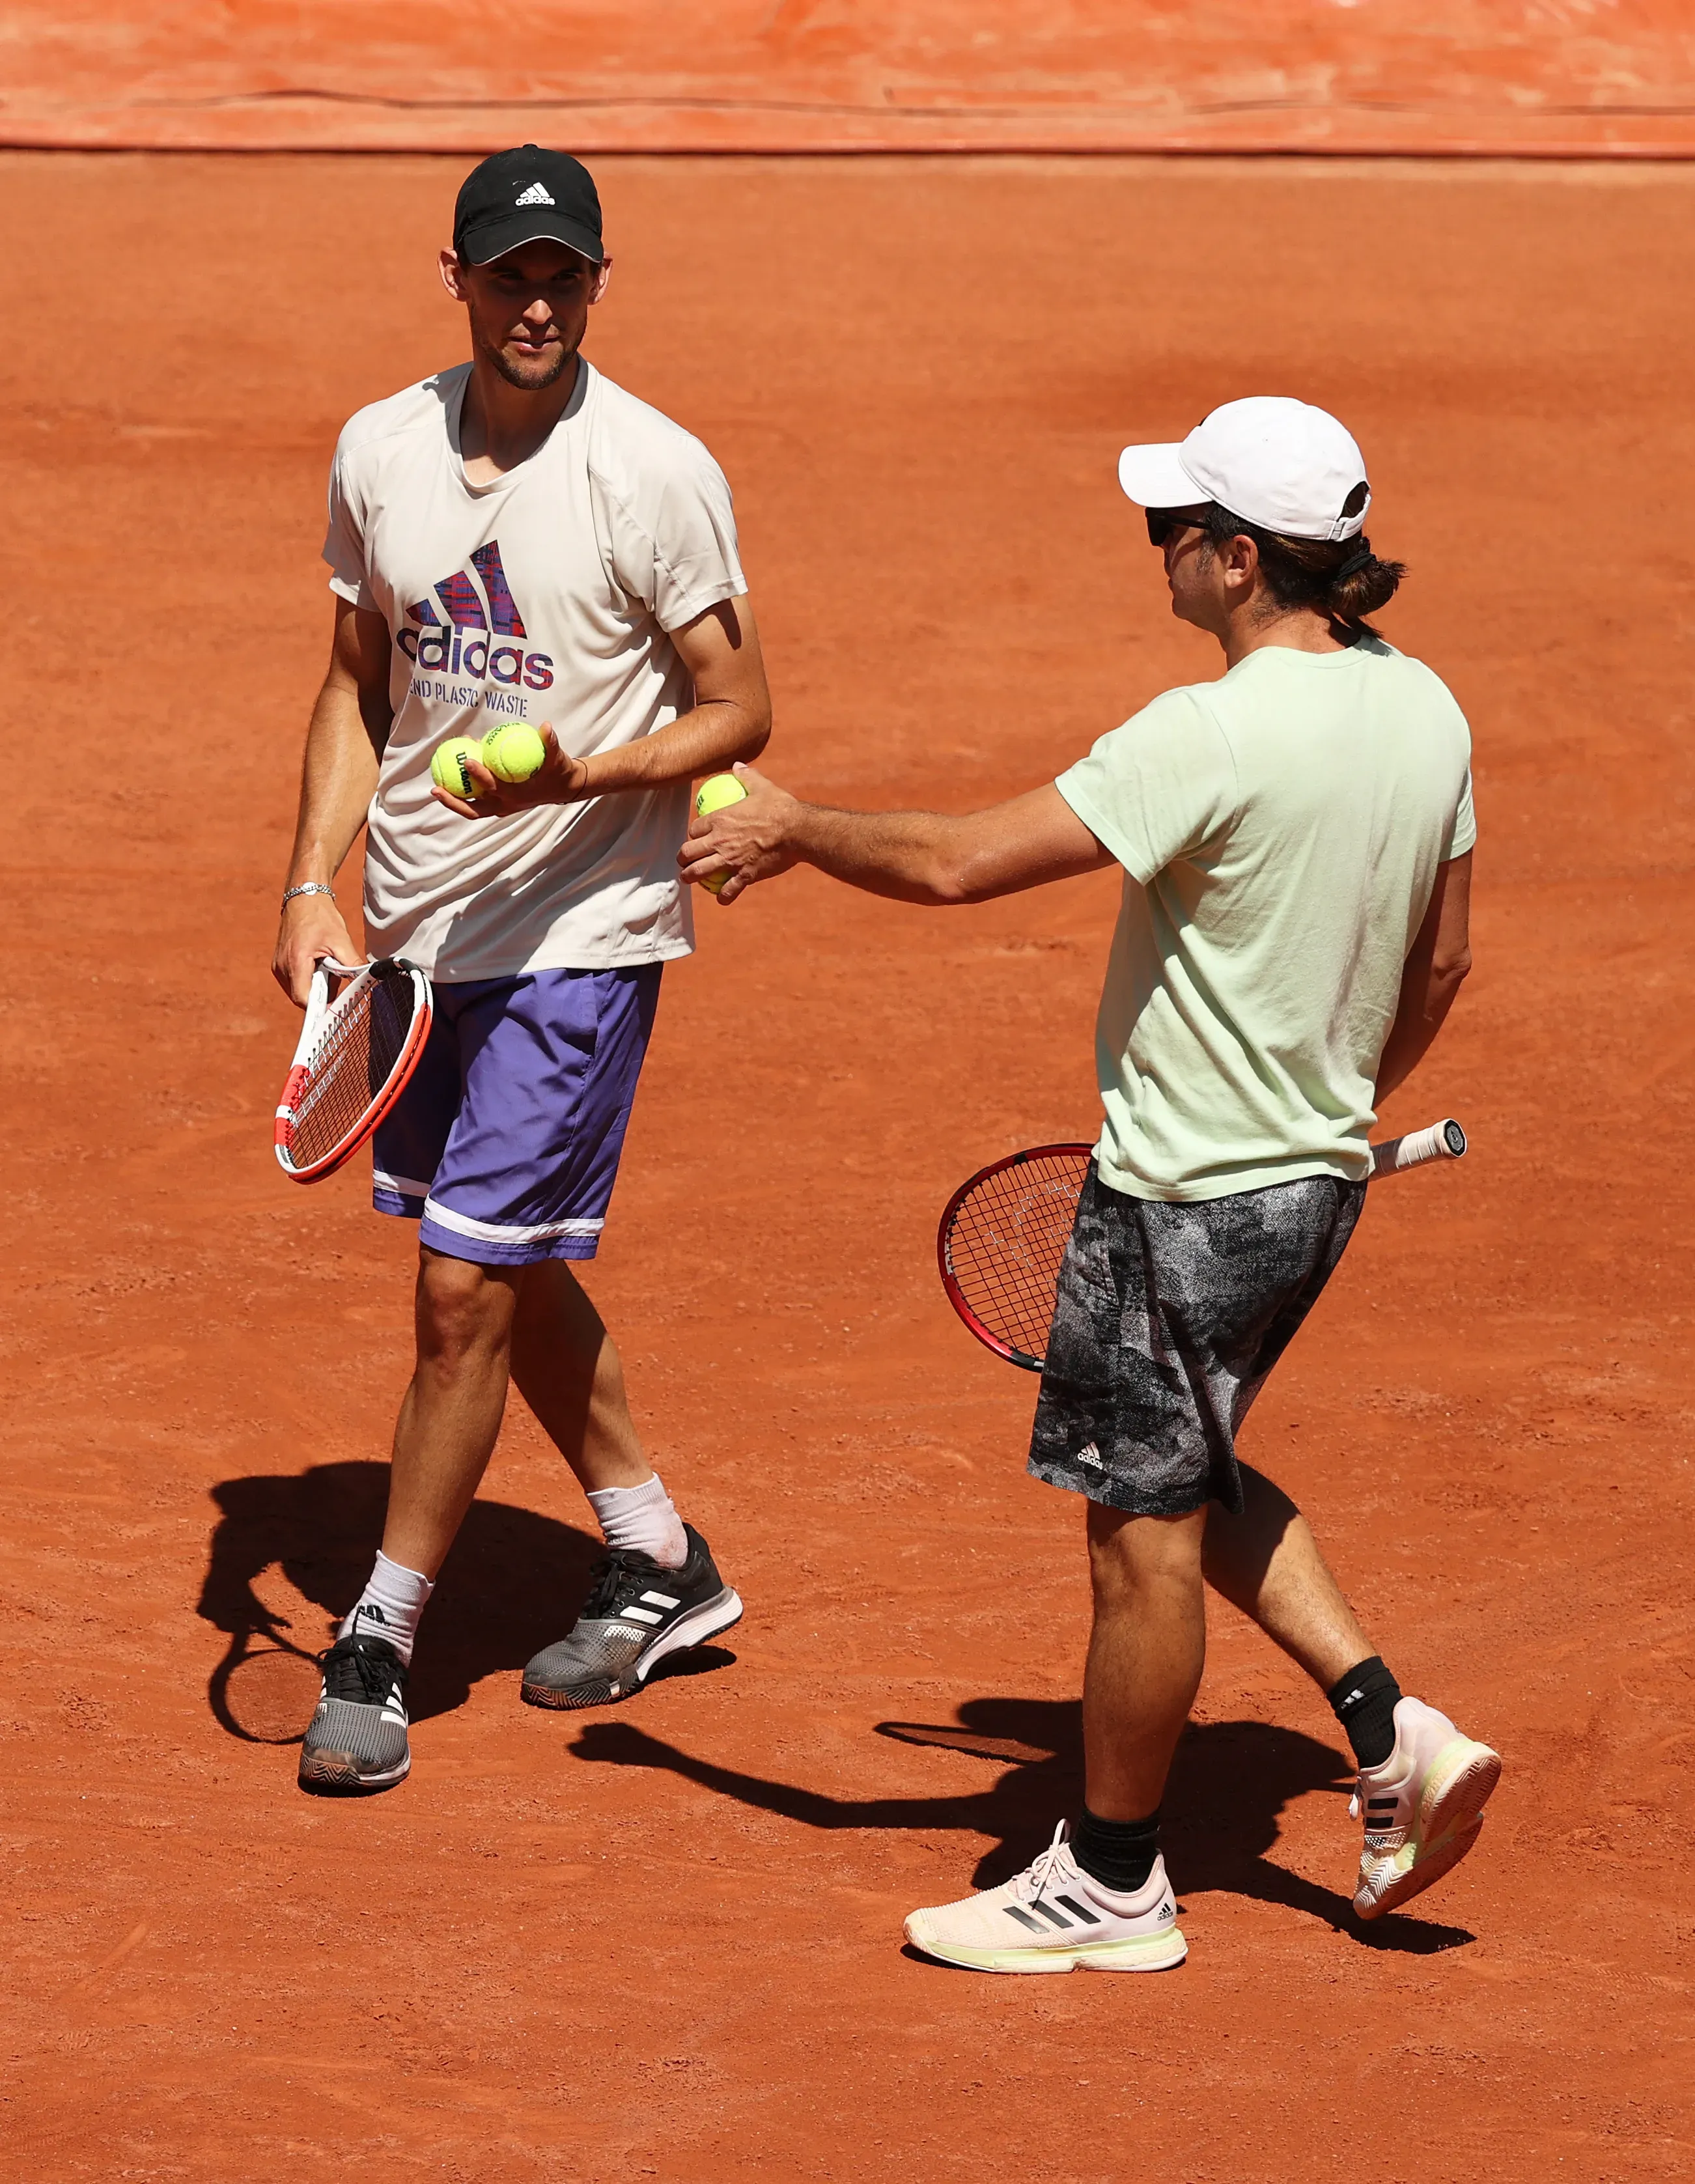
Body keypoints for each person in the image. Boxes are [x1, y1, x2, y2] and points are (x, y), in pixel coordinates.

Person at [679, 397, 1499, 1972]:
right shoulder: (1427, 710)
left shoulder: (1207, 733)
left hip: (1182, 1198)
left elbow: (952, 864)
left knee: (1140, 1542)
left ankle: (1112, 1881)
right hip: (1309, 1185)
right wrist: (1332, 1105)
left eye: (1170, 532)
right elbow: (1444, 955)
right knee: (1191, 1470)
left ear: (1239, 559)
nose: (1154, 554)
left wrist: (791, 827)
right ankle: (1390, 1733)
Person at [273, 144, 770, 1794]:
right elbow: (355, 682)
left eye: (566, 277)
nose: (537, 304)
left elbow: (735, 709)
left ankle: (380, 1635)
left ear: (598, 285)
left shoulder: (653, 474)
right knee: (509, 1259)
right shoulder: (381, 448)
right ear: (461, 276)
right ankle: (657, 1557)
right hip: (419, 936)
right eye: (510, 275)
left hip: (578, 936)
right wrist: (307, 884)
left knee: (460, 1289)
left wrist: (575, 774)